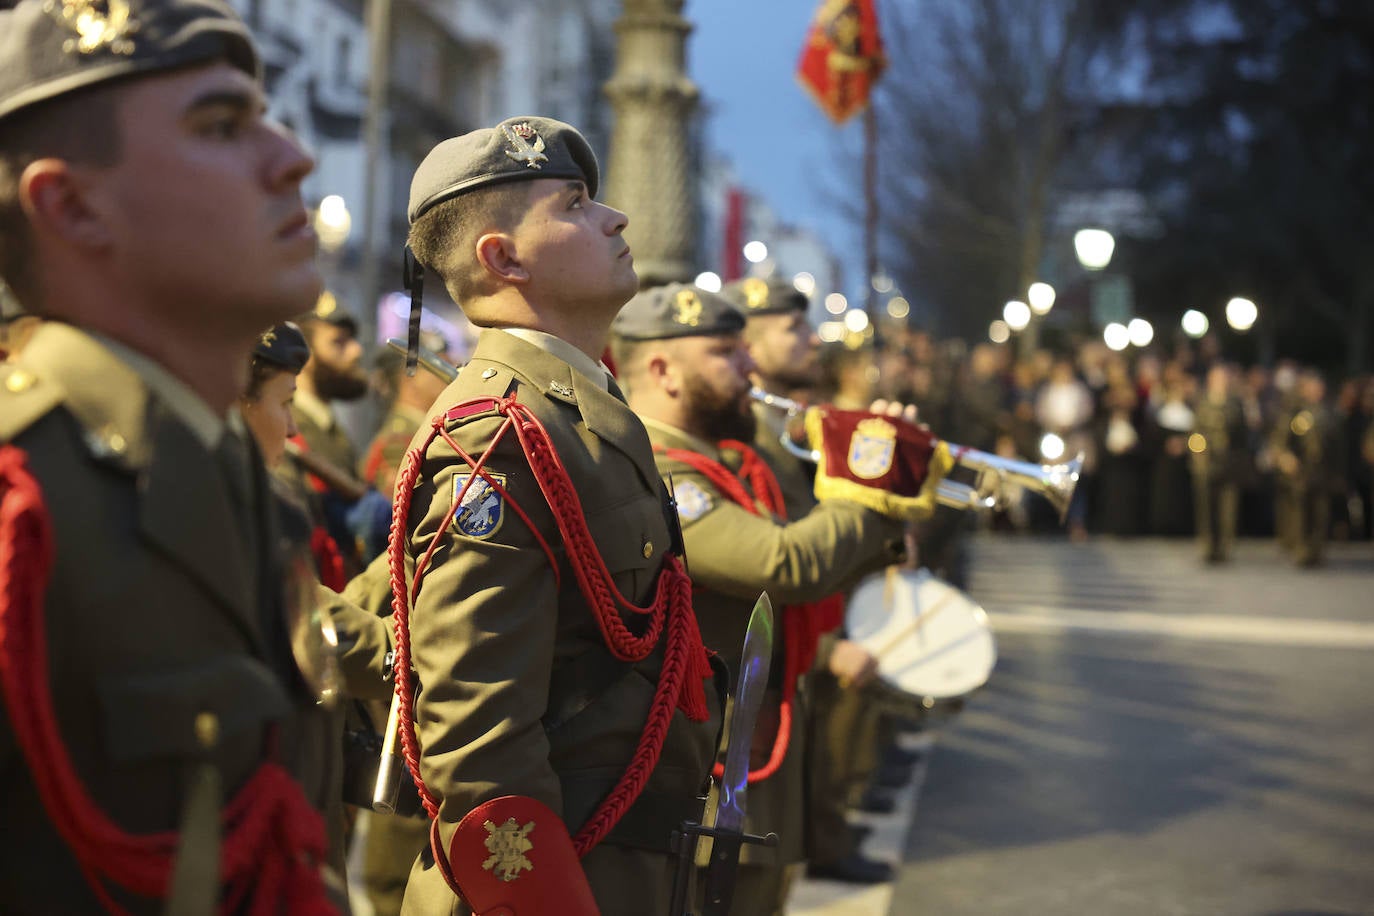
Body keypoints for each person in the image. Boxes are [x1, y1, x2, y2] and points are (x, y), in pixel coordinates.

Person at [0, 1, 350, 910]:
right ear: (70, 204)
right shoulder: (20, 500)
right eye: (224, 126)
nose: (292, 157)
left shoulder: (251, 487)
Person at [391, 116, 721, 916]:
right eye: (573, 204)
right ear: (501, 258)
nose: (615, 218)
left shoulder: (572, 410)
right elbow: (478, 741)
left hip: (619, 857)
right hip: (554, 879)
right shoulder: (501, 436)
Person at [613, 283, 923, 914]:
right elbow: (783, 563)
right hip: (707, 761)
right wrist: (872, 483)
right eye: (727, 352)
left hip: (748, 741)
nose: (749, 365)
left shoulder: (724, 461)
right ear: (661, 369)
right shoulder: (663, 469)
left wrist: (882, 524)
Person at [722, 276, 900, 884]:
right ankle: (827, 837)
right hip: (768, 651)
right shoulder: (736, 436)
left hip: (807, 625)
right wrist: (876, 490)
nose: (811, 339)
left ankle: (828, 833)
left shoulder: (783, 426)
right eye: (791, 327)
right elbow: (776, 559)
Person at [1189, 363, 1247, 562]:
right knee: (1206, 507)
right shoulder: (1202, 403)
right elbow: (1195, 431)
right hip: (1207, 462)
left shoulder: (1236, 403)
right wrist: (1198, 453)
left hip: (1230, 463)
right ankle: (1208, 545)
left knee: (1228, 508)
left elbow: (1242, 435)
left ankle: (1224, 546)